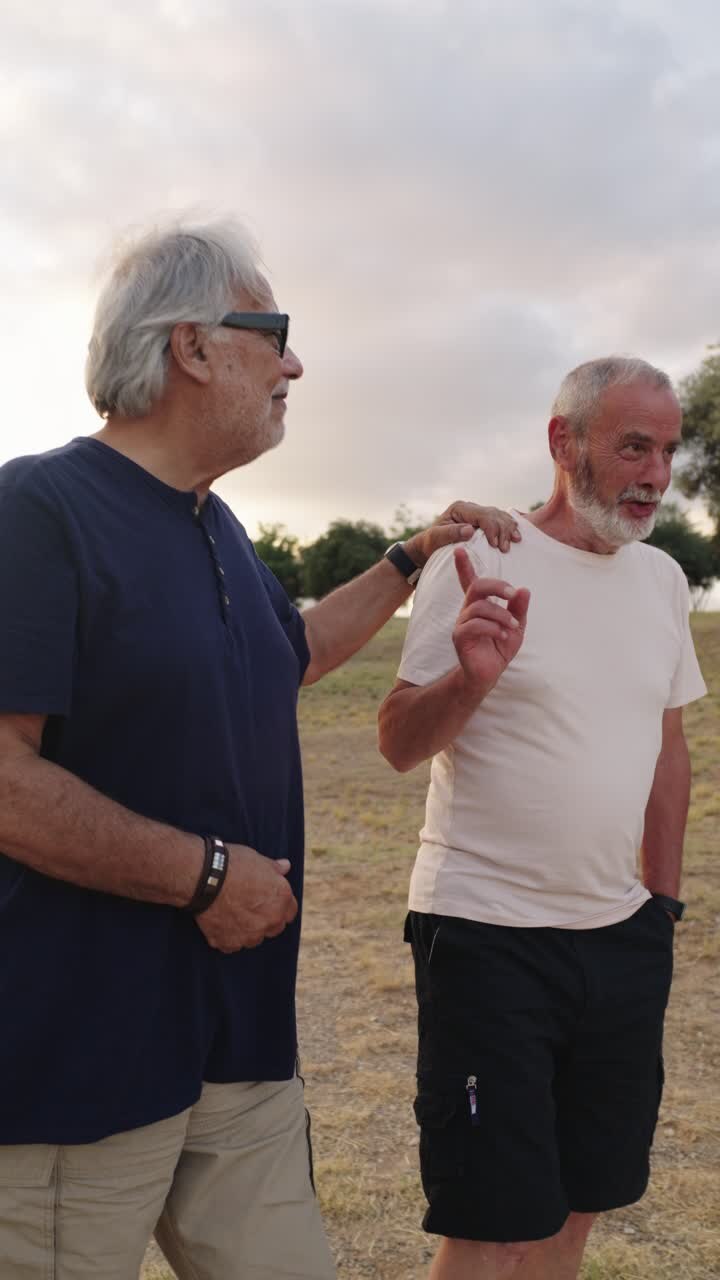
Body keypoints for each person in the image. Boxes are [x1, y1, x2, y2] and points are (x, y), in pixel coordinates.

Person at [0, 219, 521, 1280]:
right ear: (192, 347)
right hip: (78, 1069)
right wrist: (203, 874)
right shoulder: (39, 509)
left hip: (241, 1055)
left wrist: (411, 556)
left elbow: (291, 653)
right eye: (273, 331)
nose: (293, 362)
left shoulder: (215, 522)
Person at [378, 356, 707, 1280]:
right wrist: (469, 682)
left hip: (621, 940)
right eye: (633, 445)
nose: (654, 473)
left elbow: (666, 755)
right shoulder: (478, 558)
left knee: (578, 1202)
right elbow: (400, 742)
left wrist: (663, 909)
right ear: (565, 443)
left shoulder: (662, 582)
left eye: (669, 451)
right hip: (487, 936)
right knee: (493, 1224)